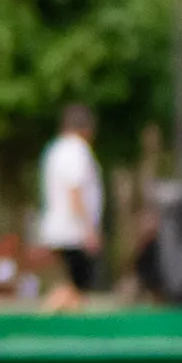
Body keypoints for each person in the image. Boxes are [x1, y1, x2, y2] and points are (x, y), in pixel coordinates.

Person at [36, 104, 105, 309]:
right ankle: (44, 318)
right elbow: (75, 192)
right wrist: (89, 229)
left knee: (75, 290)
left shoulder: (55, 149)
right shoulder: (77, 151)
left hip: (57, 228)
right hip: (73, 231)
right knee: (76, 288)